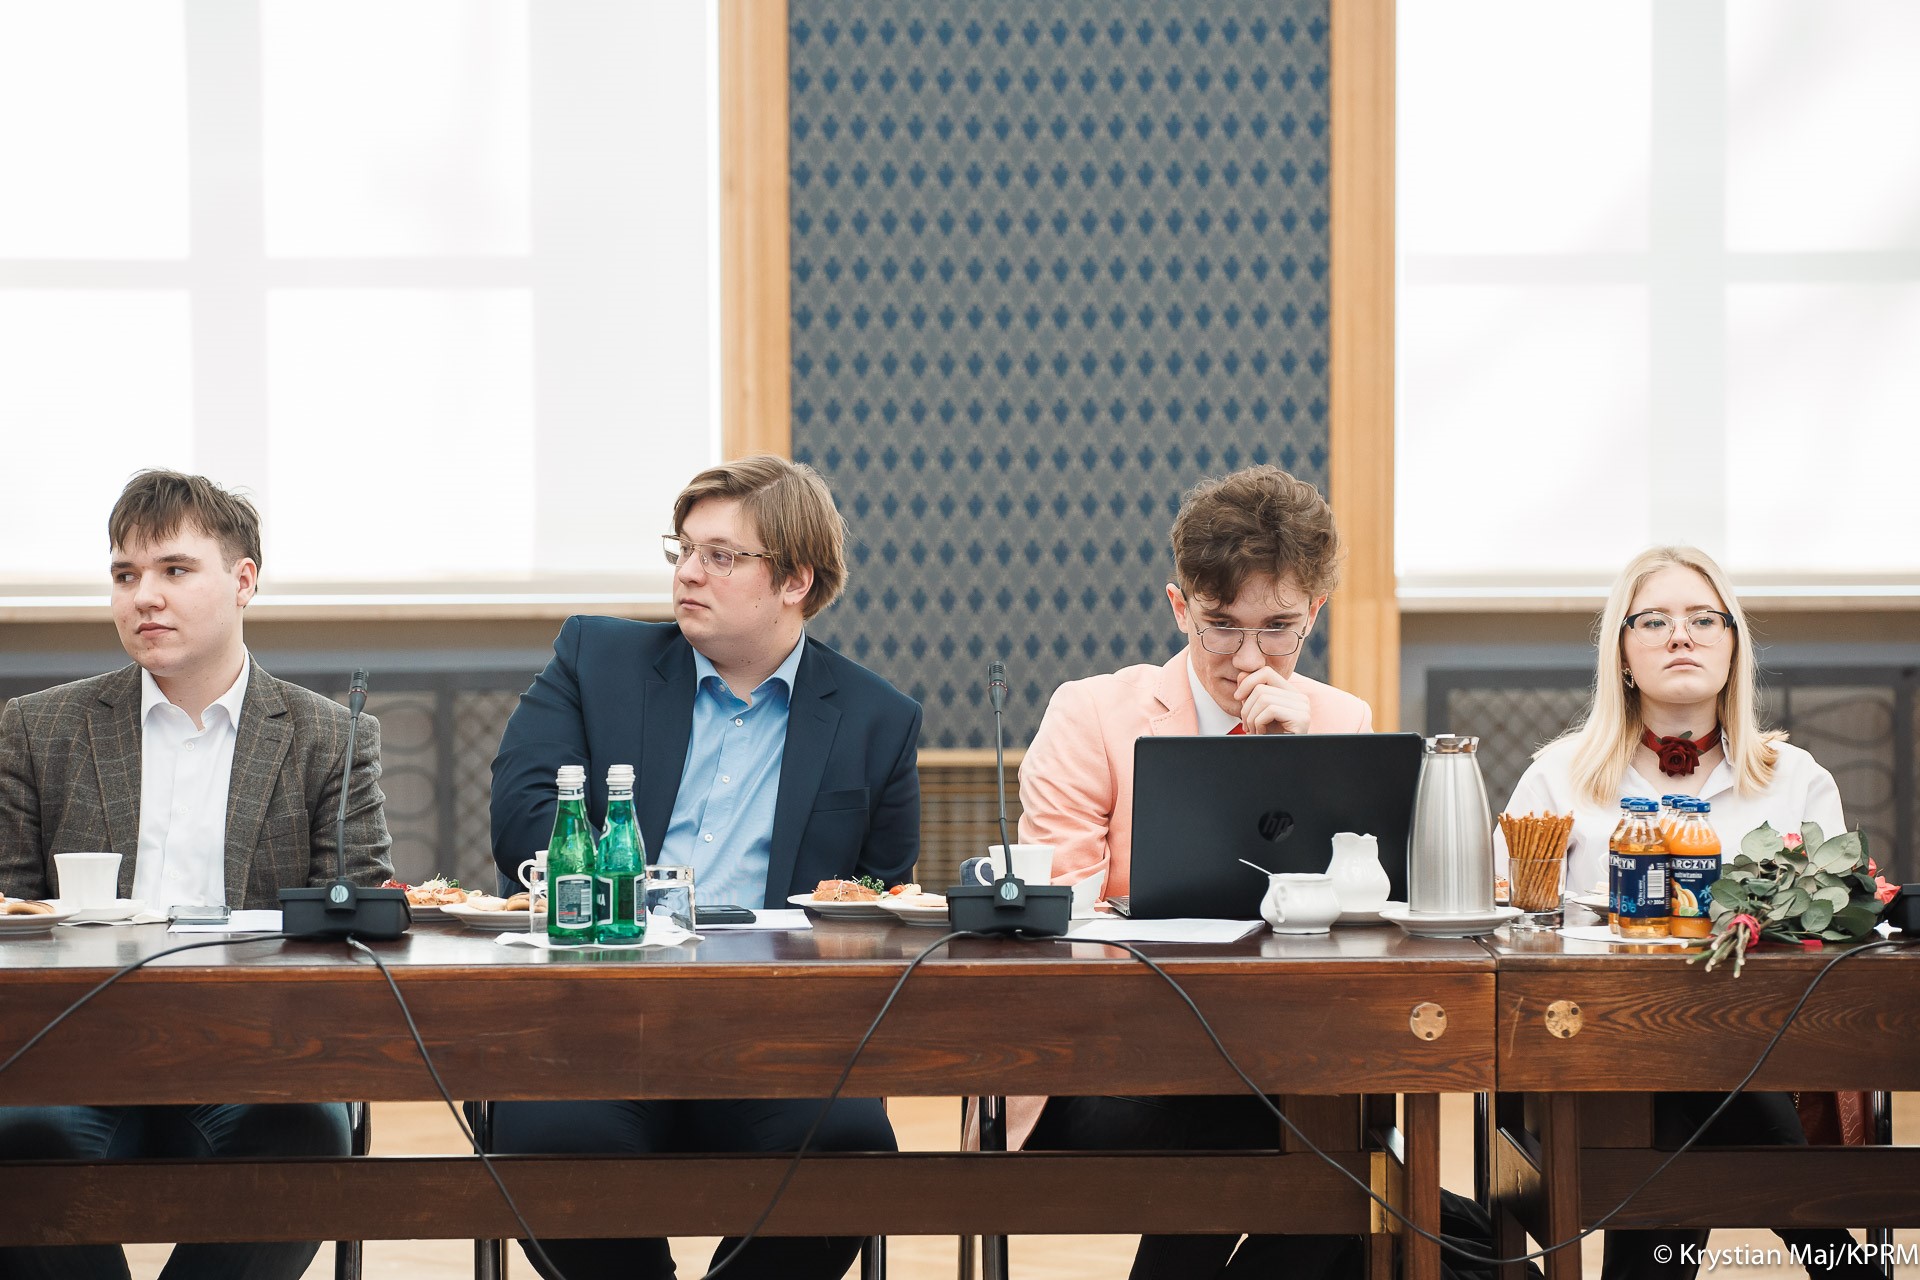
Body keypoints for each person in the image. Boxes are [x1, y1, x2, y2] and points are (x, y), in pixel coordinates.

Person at [488, 454, 921, 1280]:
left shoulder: (877, 720)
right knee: (553, 1153)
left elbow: (875, 896)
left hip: (776, 1034)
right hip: (594, 1018)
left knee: (847, 1159)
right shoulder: (595, 659)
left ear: (794, 580)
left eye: (720, 556)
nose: (688, 572)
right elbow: (523, 823)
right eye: (683, 549)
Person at [0, 468, 393, 1280]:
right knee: (21, 1141)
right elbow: (9, 916)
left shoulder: (329, 736)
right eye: (125, 575)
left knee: (306, 1137)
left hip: (257, 1055)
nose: (144, 597)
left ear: (243, 581)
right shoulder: (40, 729)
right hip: (78, 1050)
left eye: (175, 570)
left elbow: (359, 924)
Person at [1014, 464, 1371, 1280]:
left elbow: (1362, 930)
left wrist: (1296, 769)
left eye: (1278, 628)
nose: (1247, 658)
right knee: (1325, 1151)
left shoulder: (1341, 722)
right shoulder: (1091, 714)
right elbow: (1060, 921)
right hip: (1102, 1058)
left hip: (1284, 1057)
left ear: (1315, 614)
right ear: (1180, 609)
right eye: (1220, 627)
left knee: (1356, 1147)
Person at [1500, 545, 1873, 1280]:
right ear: (1622, 652)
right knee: (1688, 1069)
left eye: (1704, 619)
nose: (1681, 636)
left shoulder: (1796, 779)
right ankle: (1842, 1264)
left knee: (1699, 1073)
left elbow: (1834, 933)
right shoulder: (1557, 777)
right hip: (1595, 1055)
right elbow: (1510, 922)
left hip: (1763, 1047)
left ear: (1733, 645)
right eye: (1654, 621)